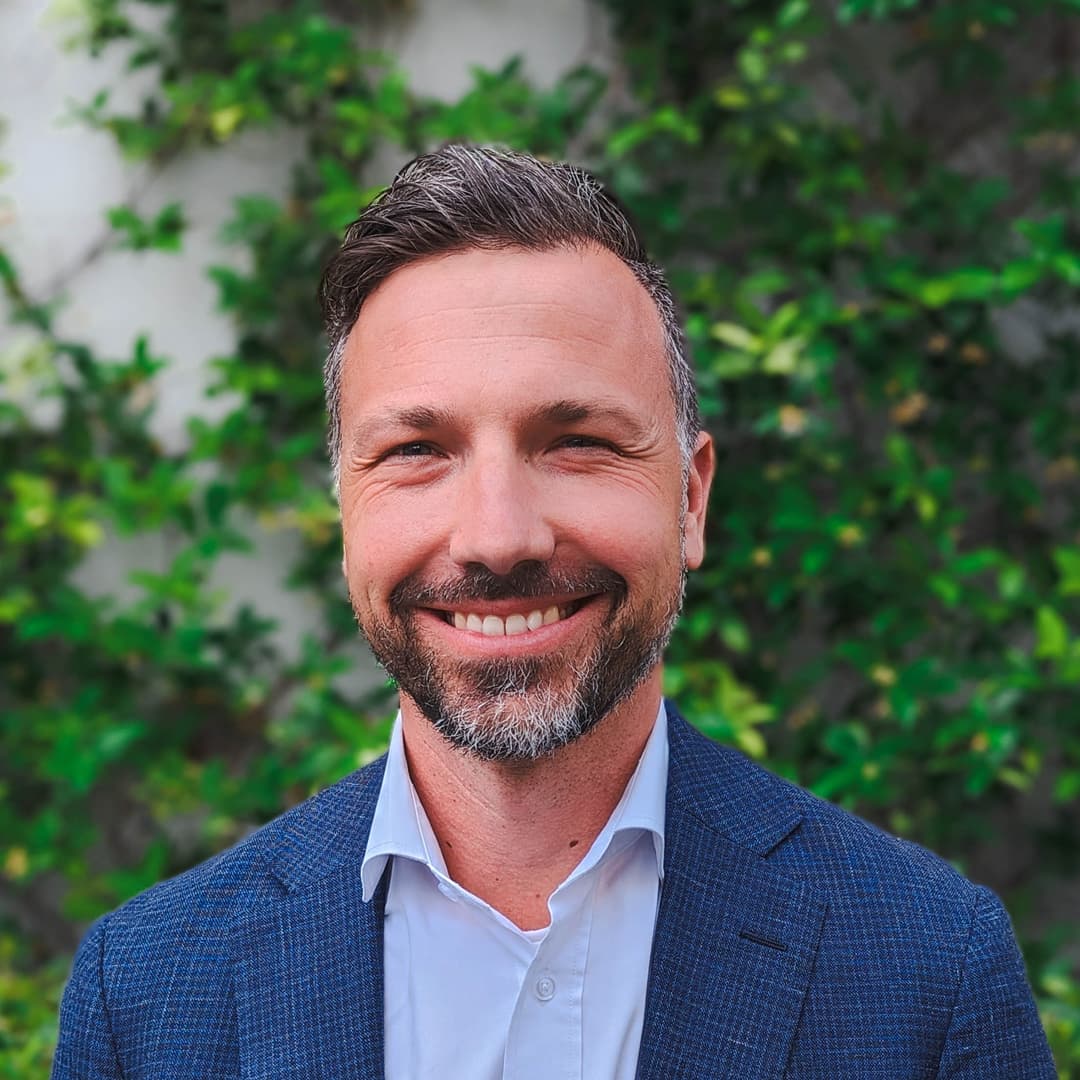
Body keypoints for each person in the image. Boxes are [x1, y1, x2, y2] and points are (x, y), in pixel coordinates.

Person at [52, 144, 1055, 1079]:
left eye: (577, 442)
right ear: (346, 509)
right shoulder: (143, 994)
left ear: (691, 499)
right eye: (416, 452)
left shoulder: (932, 971)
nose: (498, 537)